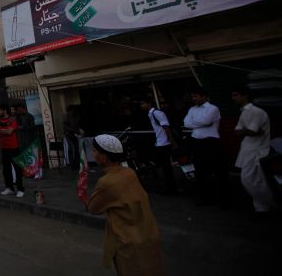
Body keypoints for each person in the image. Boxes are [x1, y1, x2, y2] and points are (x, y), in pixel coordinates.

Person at [85, 134, 165, 276]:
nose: (93, 154)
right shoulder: (129, 172)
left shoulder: (107, 182)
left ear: (103, 158)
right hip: (147, 235)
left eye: (95, 151)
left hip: (127, 242)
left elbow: (93, 208)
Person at [183, 87, 228, 206]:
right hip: (196, 142)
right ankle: (206, 198)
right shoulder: (192, 109)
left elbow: (206, 121)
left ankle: (224, 199)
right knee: (200, 171)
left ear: (204, 96)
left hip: (211, 142)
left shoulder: (213, 108)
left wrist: (195, 123)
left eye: (196, 96)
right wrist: (199, 123)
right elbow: (186, 123)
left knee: (218, 171)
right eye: (193, 96)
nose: (194, 99)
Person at [232, 87, 274, 212]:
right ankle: (262, 207)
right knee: (251, 179)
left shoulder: (255, 112)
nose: (233, 98)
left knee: (253, 179)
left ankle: (268, 204)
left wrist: (245, 131)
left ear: (245, 96)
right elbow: (237, 131)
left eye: (236, 94)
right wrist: (247, 131)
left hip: (258, 150)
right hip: (248, 150)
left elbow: (252, 131)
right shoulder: (244, 112)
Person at [139, 97, 178, 194]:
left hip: (165, 143)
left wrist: (172, 142)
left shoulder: (157, 113)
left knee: (167, 167)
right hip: (160, 143)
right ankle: (170, 187)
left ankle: (171, 188)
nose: (142, 106)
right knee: (164, 167)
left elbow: (166, 127)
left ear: (149, 104)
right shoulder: (151, 114)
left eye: (143, 103)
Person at [0, 104, 24, 197]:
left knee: (17, 169)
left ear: (4, 110)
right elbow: (0, 131)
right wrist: (4, 130)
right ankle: (9, 188)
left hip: (13, 148)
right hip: (4, 148)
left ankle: (20, 189)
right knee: (6, 170)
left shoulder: (12, 120)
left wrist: (1, 131)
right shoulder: (0, 121)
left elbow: (9, 132)